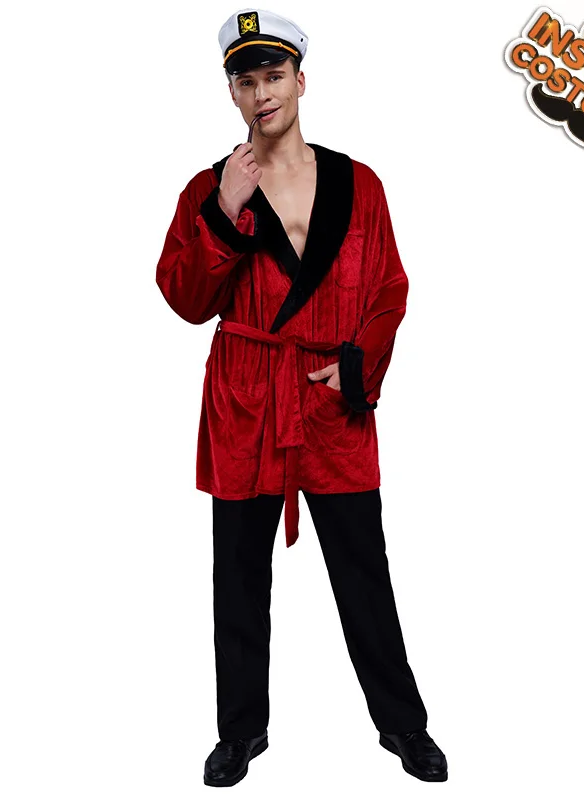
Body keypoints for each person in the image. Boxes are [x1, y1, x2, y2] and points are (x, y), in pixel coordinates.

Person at [155, 7, 448, 787]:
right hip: (246, 401)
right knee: (238, 576)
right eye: (246, 82)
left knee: (363, 569)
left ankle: (403, 725)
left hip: (330, 404)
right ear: (231, 93)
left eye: (274, 76)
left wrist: (357, 368)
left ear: (300, 81)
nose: (262, 94)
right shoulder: (209, 188)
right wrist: (224, 213)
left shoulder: (359, 183)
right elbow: (184, 299)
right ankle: (240, 732)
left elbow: (389, 288)